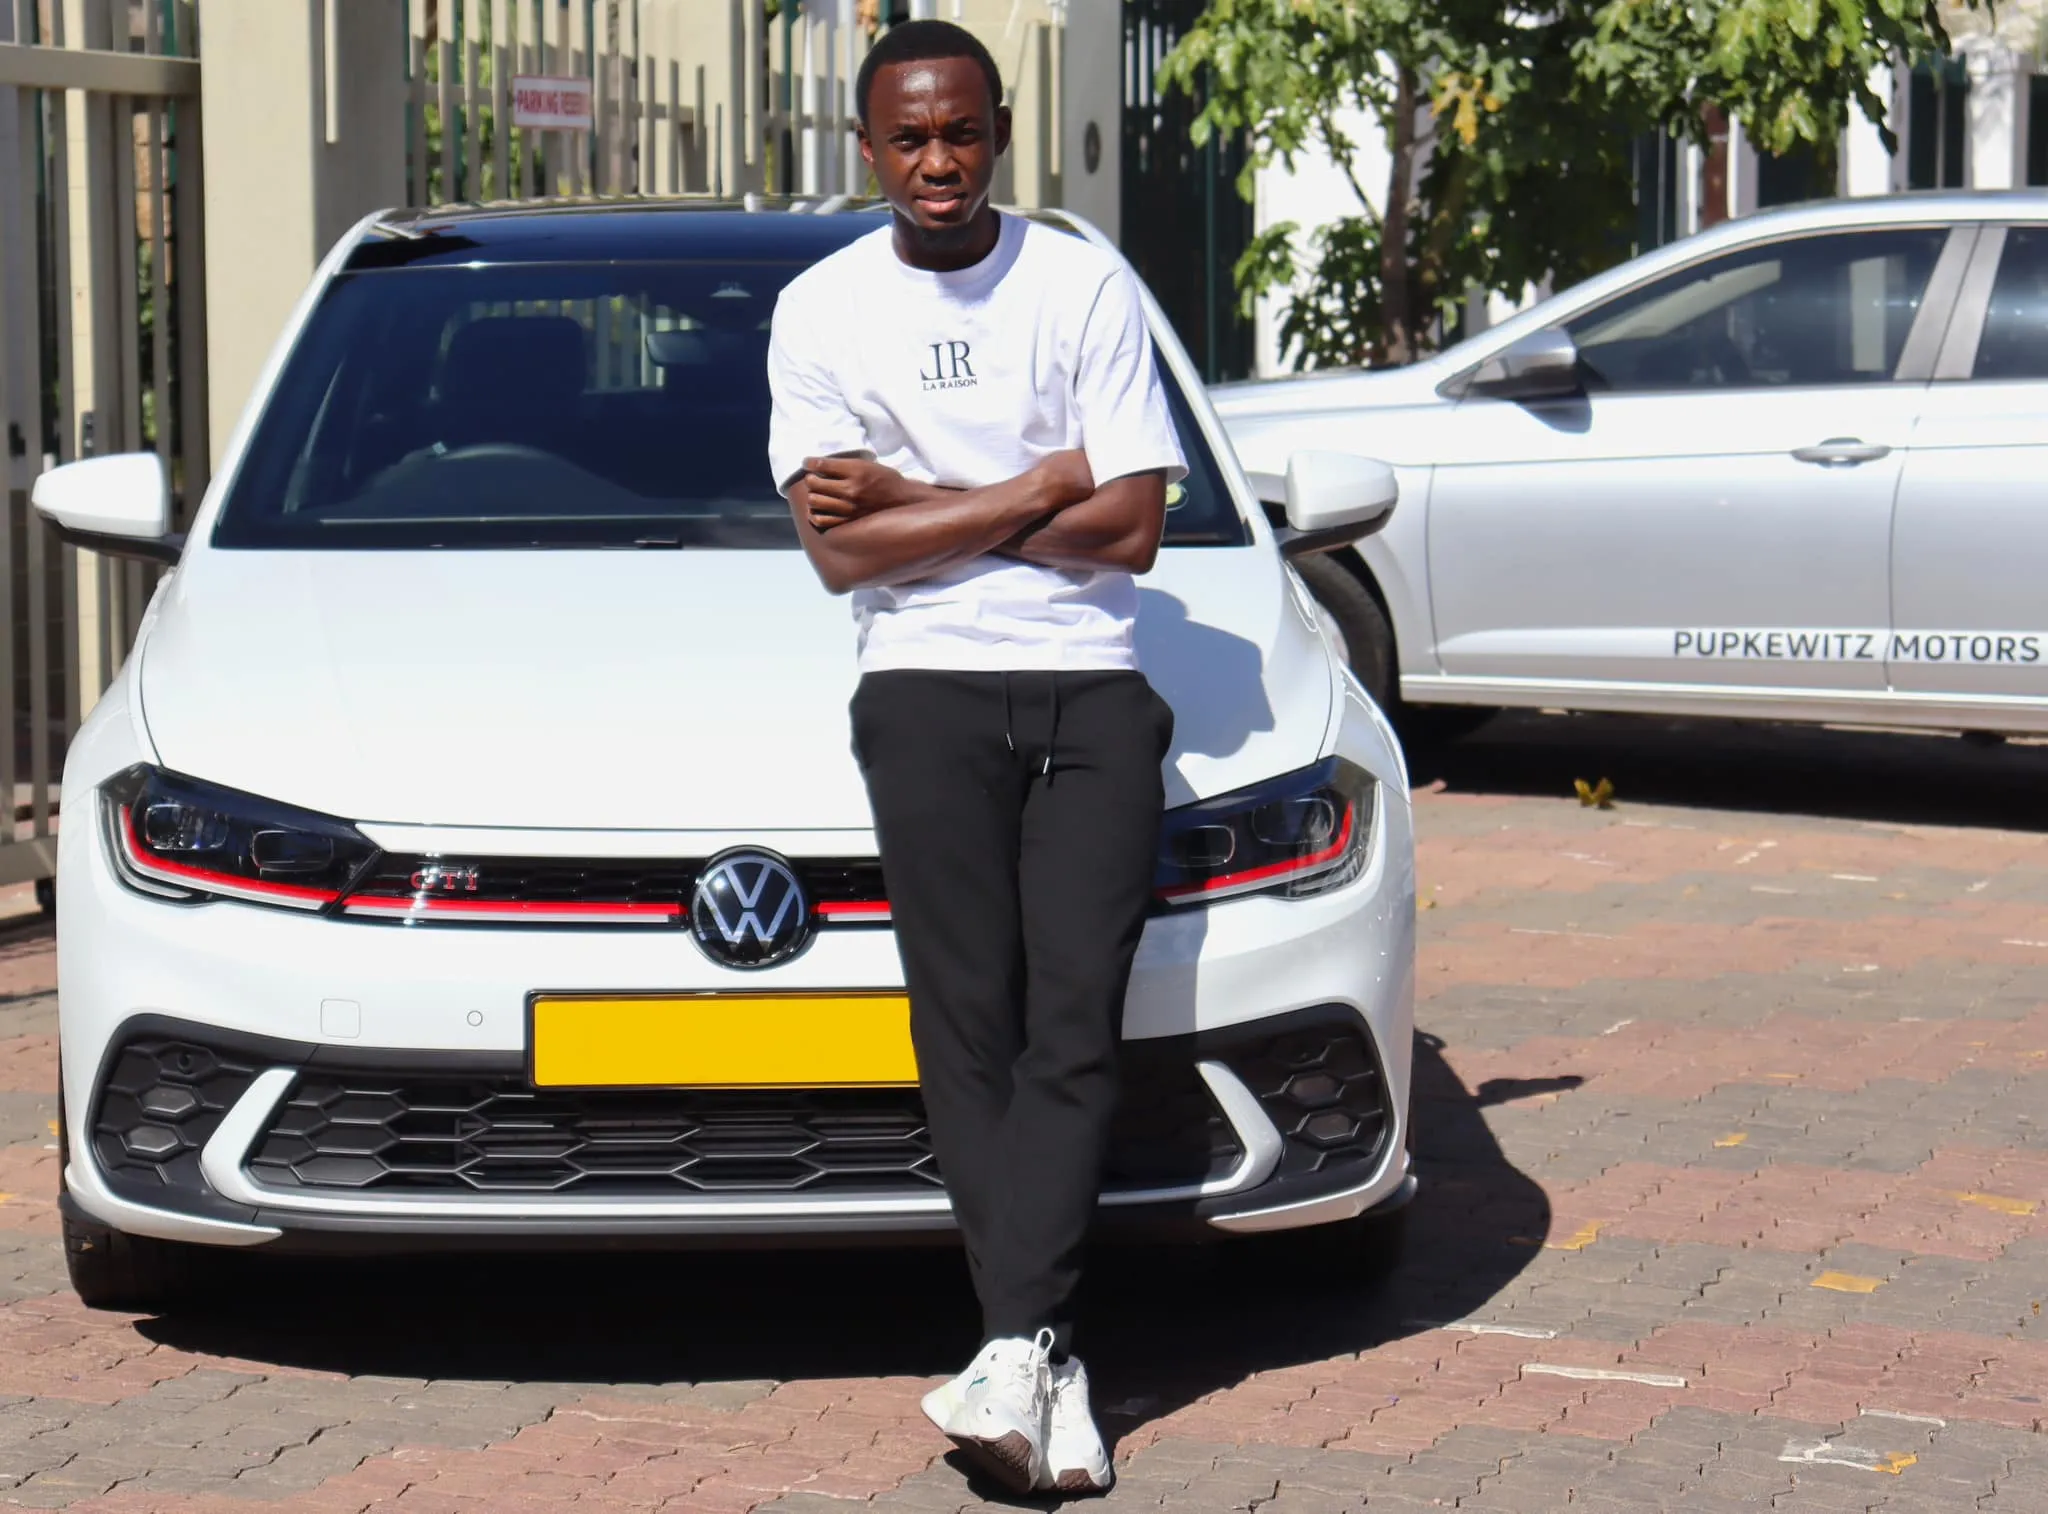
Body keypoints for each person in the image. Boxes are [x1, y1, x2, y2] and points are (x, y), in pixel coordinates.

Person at [765, 18, 1185, 1499]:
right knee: (968, 1031)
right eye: (907, 138)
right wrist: (1035, 480)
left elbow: (1132, 526)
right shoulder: (821, 310)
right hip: (926, 690)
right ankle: (1041, 1357)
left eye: (960, 132)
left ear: (997, 129)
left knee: (1076, 1020)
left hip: (1088, 685)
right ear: (867, 147)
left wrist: (917, 496)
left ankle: (1015, 1343)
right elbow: (838, 555)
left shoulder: (1081, 282)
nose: (936, 161)